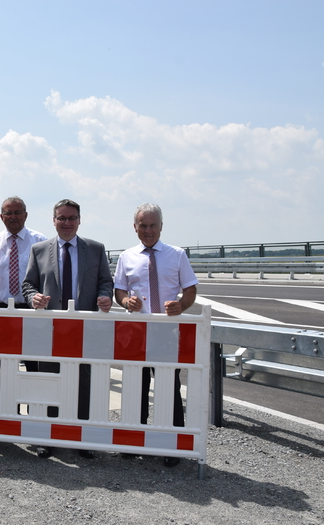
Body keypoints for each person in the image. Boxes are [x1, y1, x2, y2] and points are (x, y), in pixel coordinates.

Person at [22, 199, 113, 459]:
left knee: (83, 384)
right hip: (50, 331)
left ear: (79, 220)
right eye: (61, 218)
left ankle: (81, 438)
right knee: (49, 383)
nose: (66, 223)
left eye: (71, 218)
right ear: (53, 220)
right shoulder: (39, 250)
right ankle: (46, 437)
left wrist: (105, 297)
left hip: (85, 330)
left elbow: (106, 282)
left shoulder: (95, 249)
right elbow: (28, 285)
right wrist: (34, 298)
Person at [114, 203, 198, 467]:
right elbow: (119, 291)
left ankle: (172, 445)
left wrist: (181, 306)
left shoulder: (177, 255)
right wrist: (127, 302)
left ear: (161, 226)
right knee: (135, 386)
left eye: (152, 225)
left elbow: (191, 289)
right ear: (135, 227)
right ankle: (132, 440)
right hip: (136, 332)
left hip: (166, 332)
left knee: (168, 387)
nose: (148, 230)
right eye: (143, 225)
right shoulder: (127, 256)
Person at [0, 196, 47, 309]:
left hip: (32, 308)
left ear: (25, 215)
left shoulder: (40, 241)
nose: (13, 217)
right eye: (8, 213)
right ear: (2, 217)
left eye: (17, 212)